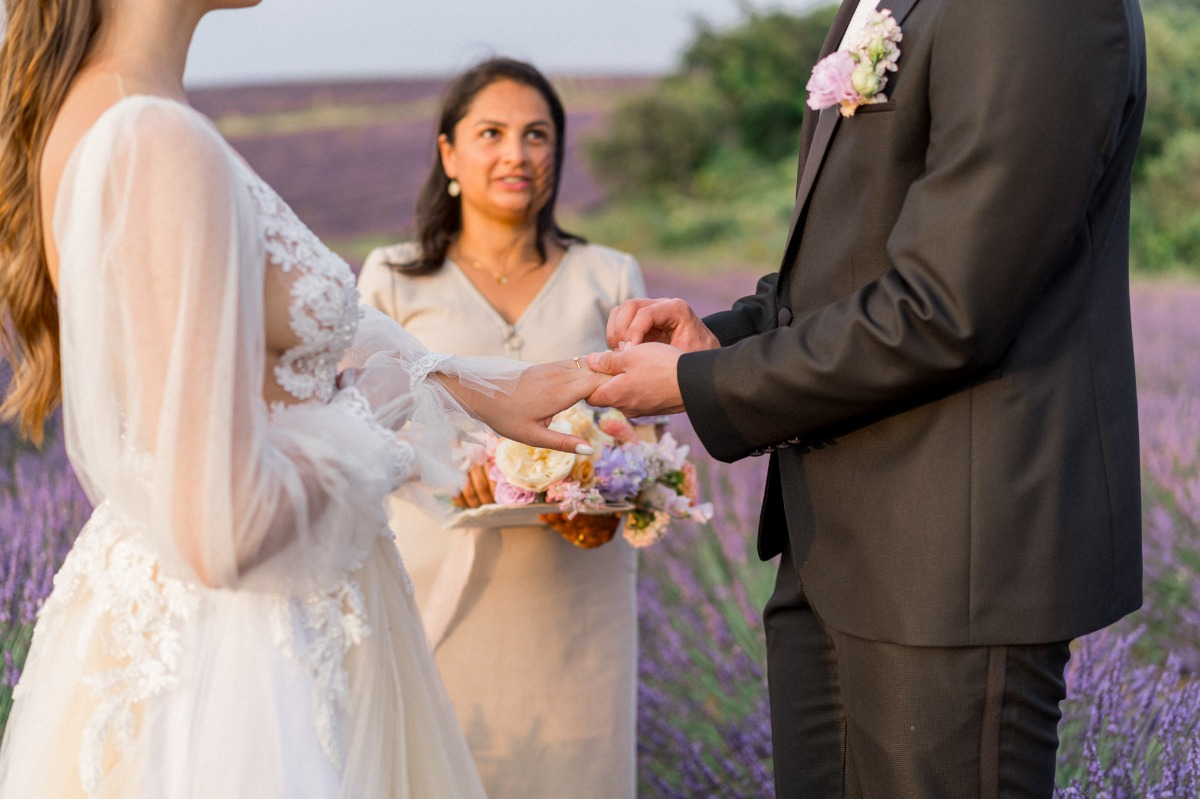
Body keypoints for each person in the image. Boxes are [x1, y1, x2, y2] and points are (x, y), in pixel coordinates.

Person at [0, 1, 607, 796]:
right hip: (245, 657)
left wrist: (481, 386)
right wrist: (382, 432)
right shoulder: (148, 135)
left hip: (248, 616)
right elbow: (220, 525)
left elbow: (314, 331)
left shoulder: (124, 109)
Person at [588, 0, 1146, 795]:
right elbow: (852, 265)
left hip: (954, 565)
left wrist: (700, 388)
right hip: (836, 550)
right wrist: (721, 342)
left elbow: (946, 307)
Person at [357, 58, 644, 799]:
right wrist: (453, 470)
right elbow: (366, 428)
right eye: (492, 133)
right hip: (437, 581)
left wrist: (612, 466)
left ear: (557, 153)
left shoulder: (609, 276)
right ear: (449, 153)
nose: (516, 153)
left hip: (575, 597)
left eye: (537, 135)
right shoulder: (391, 278)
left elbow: (624, 425)